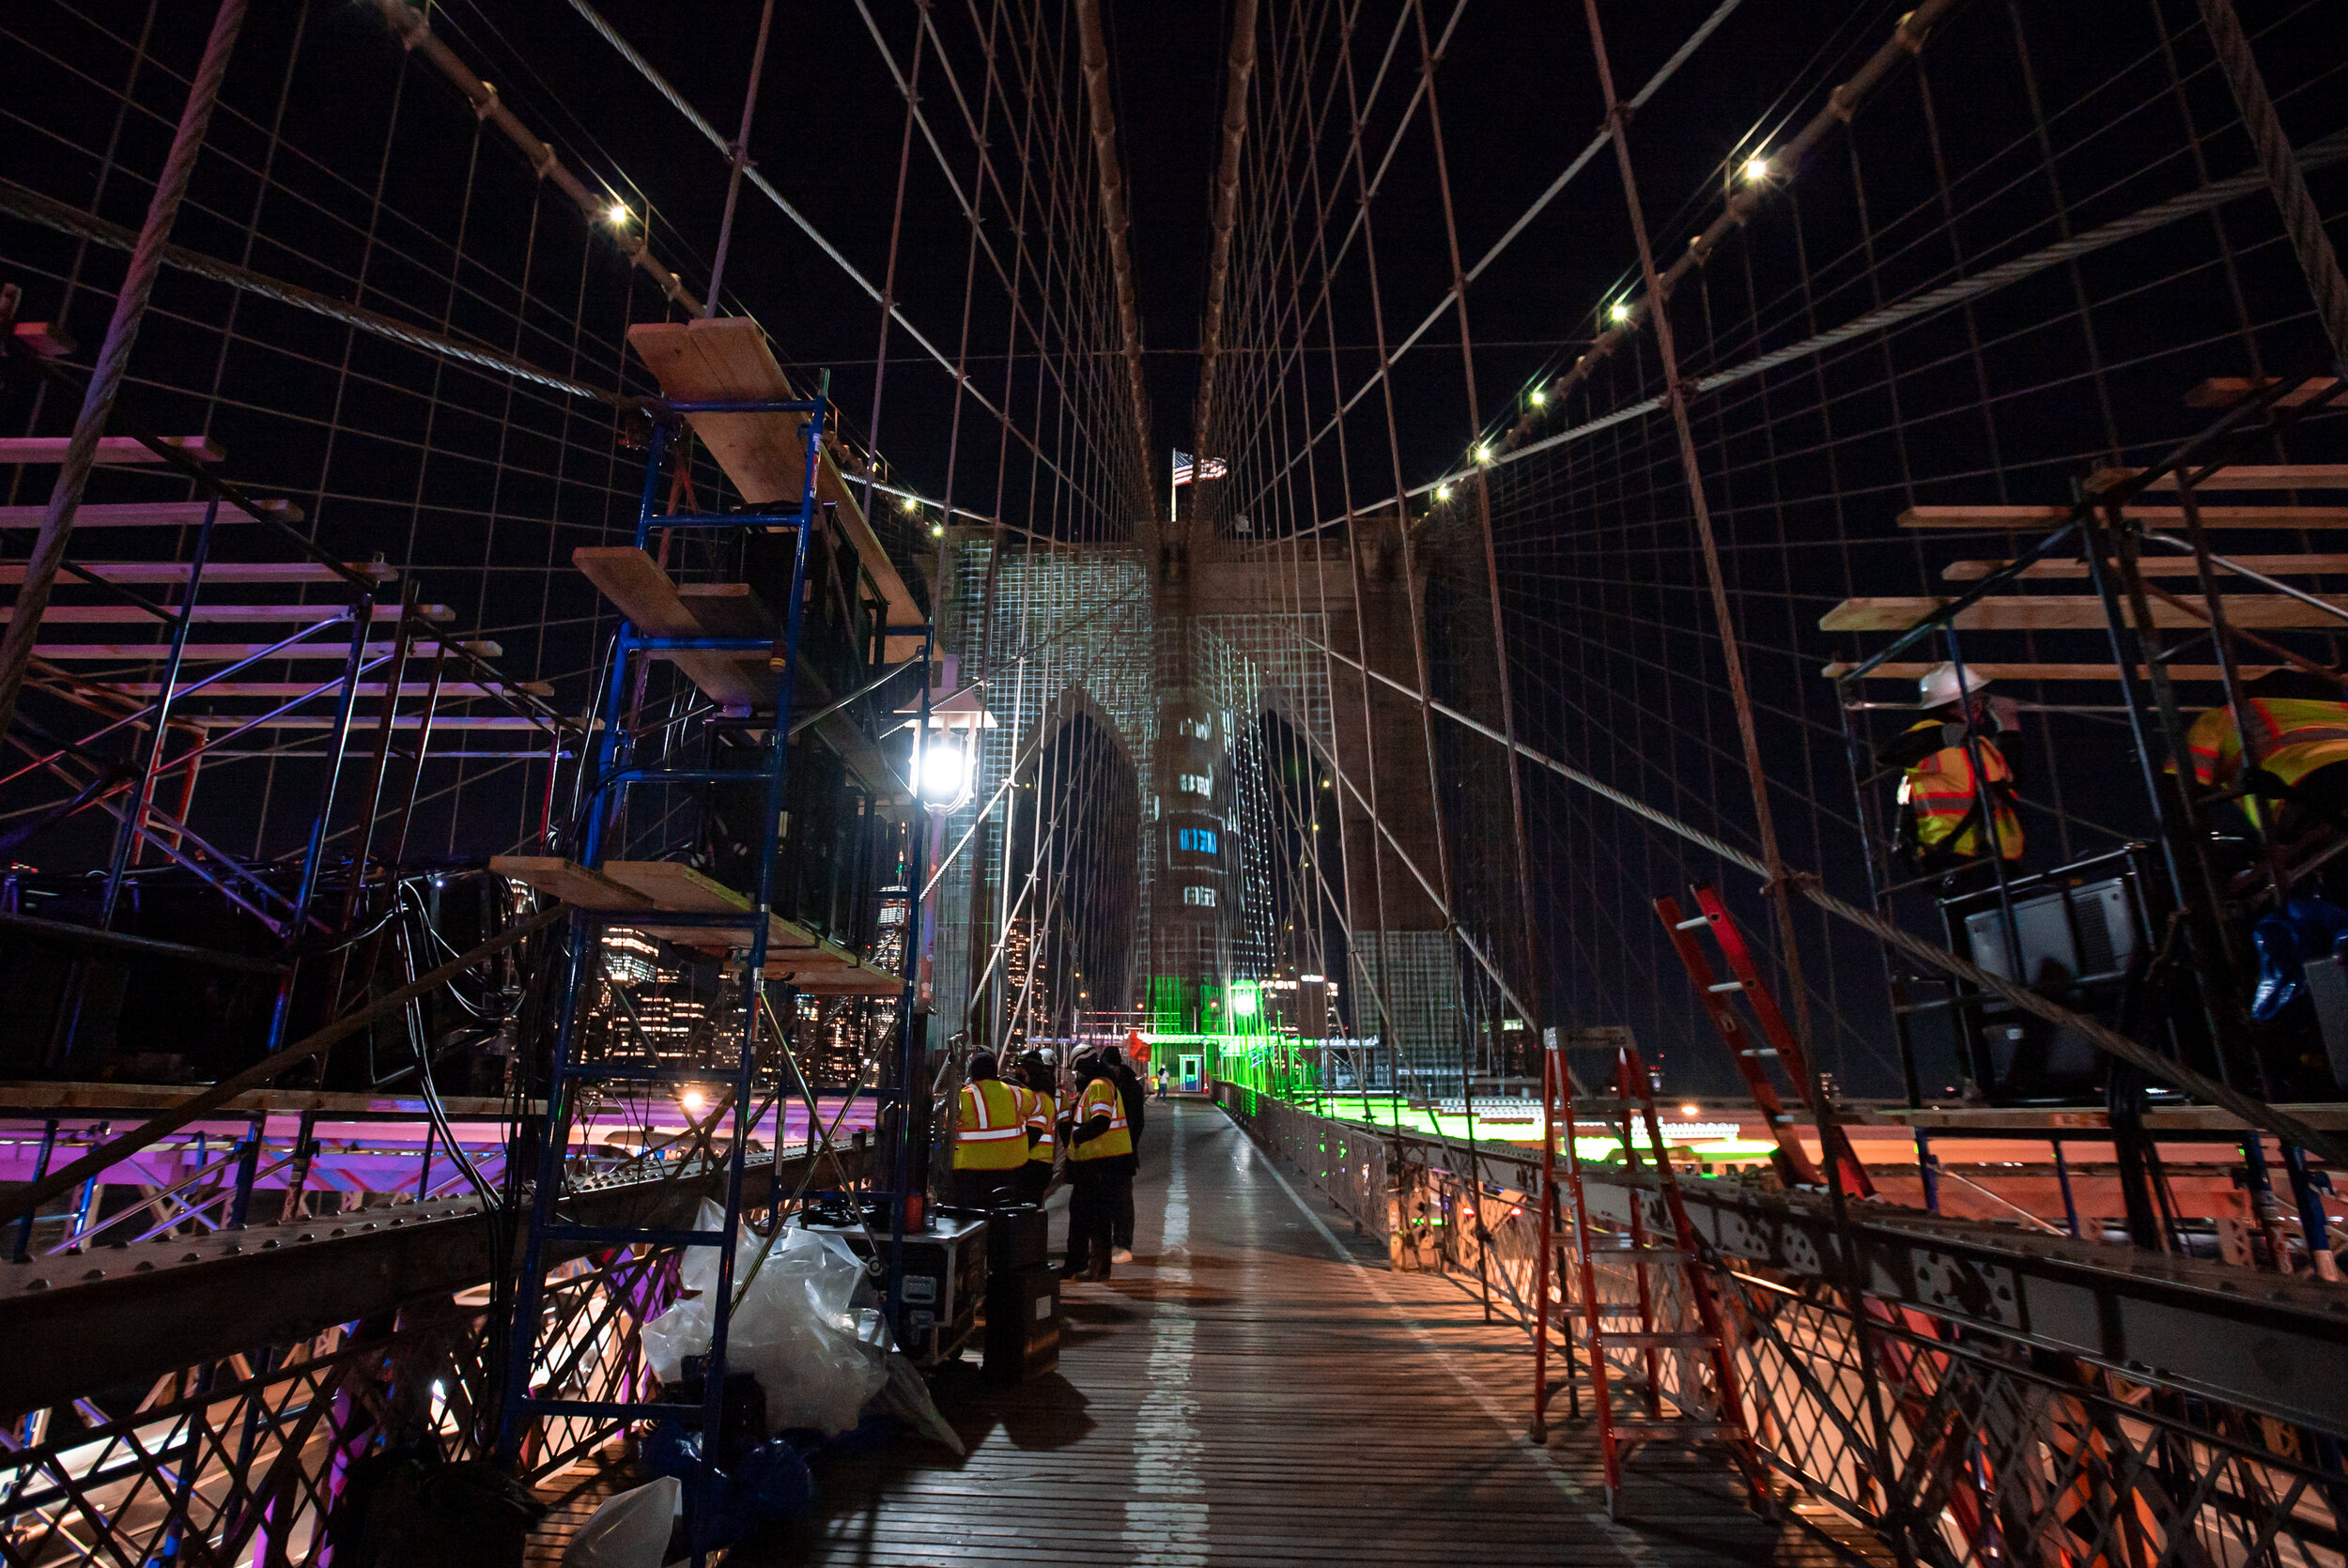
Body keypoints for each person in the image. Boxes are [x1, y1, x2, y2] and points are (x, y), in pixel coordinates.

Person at [1875, 661, 2022, 872]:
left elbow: (2011, 783)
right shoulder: (1930, 737)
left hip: (1999, 858)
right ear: (1955, 703)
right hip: (1956, 859)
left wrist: (2008, 725)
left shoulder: (1979, 745)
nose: (1979, 705)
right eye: (1974, 699)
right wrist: (1946, 735)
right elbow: (1888, 753)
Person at [2185, 668, 2348, 838]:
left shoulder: (2223, 717)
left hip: (2305, 792)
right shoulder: (2339, 708)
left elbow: (2179, 791)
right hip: (2318, 789)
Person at [1059, 1053, 1133, 1281]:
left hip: (1099, 1162)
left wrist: (1078, 1138)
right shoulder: (1098, 1085)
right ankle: (1085, 1265)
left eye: (1078, 1071)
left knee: (1093, 1217)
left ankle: (1094, 1267)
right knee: (1088, 1215)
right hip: (1097, 1162)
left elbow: (1101, 1120)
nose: (1076, 1076)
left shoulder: (1099, 1085)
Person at [949, 1051, 1030, 1208]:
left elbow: (946, 1123)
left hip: (969, 1171)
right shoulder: (1016, 1094)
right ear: (996, 1073)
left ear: (972, 1075)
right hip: (1008, 1169)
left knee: (970, 1216)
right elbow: (1038, 1105)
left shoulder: (963, 1097)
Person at [1105, 1040, 1147, 1263]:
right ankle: (1116, 1243)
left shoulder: (1124, 1087)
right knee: (1117, 1200)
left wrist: (1128, 1145)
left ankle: (1122, 1244)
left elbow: (1136, 1122)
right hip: (1115, 1150)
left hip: (1121, 1151)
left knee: (1121, 1200)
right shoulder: (1131, 1085)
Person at [1014, 1049, 1057, 1207]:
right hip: (1039, 1164)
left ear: (1027, 1071)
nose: (1016, 1073)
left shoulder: (1039, 1099)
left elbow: (1033, 1135)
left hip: (1033, 1165)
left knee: (1028, 1215)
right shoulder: (1042, 1096)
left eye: (1019, 1069)